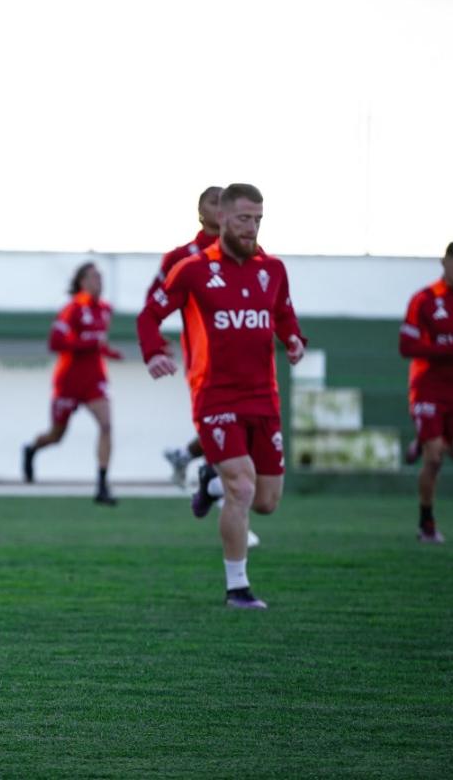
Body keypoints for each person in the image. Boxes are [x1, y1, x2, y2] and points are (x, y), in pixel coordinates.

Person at [137, 184, 305, 609]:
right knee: (243, 487)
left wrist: (294, 340)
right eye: (244, 219)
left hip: (264, 398)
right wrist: (154, 352)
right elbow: (149, 314)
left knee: (266, 501)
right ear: (221, 220)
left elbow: (284, 314)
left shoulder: (273, 269)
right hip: (214, 395)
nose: (251, 228)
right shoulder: (192, 269)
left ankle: (211, 486)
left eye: (258, 220)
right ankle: (237, 589)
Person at [399, 240, 453, 544]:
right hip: (429, 388)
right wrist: (447, 349)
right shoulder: (424, 299)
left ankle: (425, 440)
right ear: (444, 262)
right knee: (434, 460)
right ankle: (427, 523)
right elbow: (405, 346)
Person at [21, 261, 122, 504]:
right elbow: (55, 342)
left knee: (106, 426)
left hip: (94, 379)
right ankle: (31, 449)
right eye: (94, 277)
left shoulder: (105, 309)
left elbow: (97, 342)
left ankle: (101, 485)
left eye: (101, 277)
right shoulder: (72, 309)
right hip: (69, 380)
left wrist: (108, 352)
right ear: (82, 282)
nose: (100, 281)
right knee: (56, 436)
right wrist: (88, 346)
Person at [148, 186, 222, 487]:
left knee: (239, 422)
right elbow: (153, 304)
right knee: (223, 420)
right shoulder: (181, 258)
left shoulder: (252, 257)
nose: (222, 208)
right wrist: (154, 346)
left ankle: (188, 457)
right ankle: (211, 479)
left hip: (246, 358)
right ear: (201, 213)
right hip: (205, 358)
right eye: (214, 202)